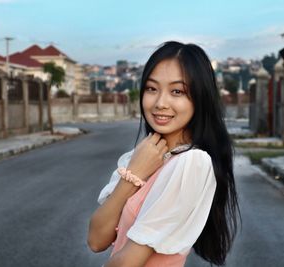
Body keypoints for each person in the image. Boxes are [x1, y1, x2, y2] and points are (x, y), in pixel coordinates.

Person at [88, 41, 239, 267]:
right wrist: (132, 175)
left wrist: (134, 173)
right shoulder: (140, 157)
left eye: (177, 91)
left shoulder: (192, 163)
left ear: (200, 98)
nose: (160, 103)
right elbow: (96, 240)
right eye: (151, 88)